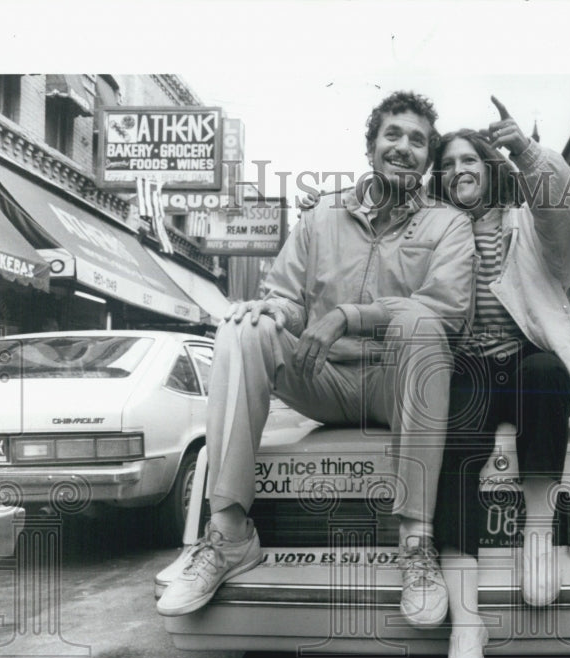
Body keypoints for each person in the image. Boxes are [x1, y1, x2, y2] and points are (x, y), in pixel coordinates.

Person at [156, 91, 476, 630]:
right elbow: (285, 296)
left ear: (427, 159)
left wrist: (349, 315)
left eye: (418, 141)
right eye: (392, 135)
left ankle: (416, 546)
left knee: (422, 326)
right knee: (244, 323)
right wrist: (271, 308)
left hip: (398, 384)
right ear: (371, 145)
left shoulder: (448, 224)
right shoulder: (322, 214)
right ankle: (229, 534)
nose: (403, 147)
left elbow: (444, 311)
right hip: (321, 378)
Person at [427, 97, 570, 658]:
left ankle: (538, 532)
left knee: (545, 371)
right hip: (470, 370)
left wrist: (529, 154)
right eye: (447, 162)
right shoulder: (431, 230)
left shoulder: (526, 220)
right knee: (455, 445)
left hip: (526, 363)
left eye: (469, 159)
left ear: (488, 163)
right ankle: (466, 623)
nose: (459, 169)